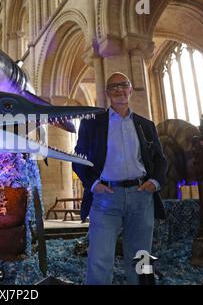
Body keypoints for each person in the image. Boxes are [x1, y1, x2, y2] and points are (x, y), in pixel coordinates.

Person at [72, 72, 168, 285]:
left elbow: (160, 161)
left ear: (131, 90)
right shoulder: (92, 123)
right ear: (107, 93)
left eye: (123, 85)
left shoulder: (146, 125)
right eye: (113, 86)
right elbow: (78, 158)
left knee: (141, 258)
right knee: (100, 258)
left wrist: (155, 182)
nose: (119, 89)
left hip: (141, 197)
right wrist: (94, 184)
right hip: (106, 198)